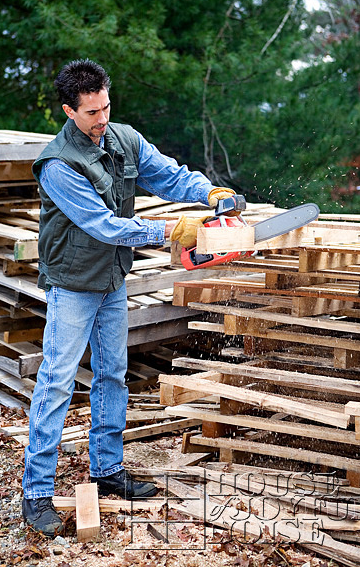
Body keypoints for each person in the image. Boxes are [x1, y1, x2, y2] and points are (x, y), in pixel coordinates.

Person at [21, 58, 237, 536]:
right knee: (57, 382)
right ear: (68, 110)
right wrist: (171, 230)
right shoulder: (58, 164)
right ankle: (36, 494)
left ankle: (108, 469)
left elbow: (170, 176)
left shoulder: (123, 139)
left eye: (106, 106)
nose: (102, 119)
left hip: (112, 280)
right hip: (74, 284)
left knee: (112, 375)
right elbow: (105, 225)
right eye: (92, 112)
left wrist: (210, 193)